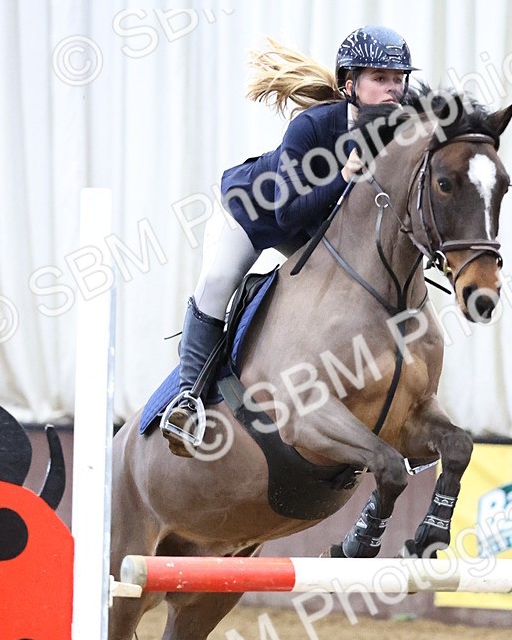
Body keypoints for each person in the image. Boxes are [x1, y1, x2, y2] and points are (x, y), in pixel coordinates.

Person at [162, 25, 415, 455]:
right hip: (253, 214)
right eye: (380, 78)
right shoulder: (312, 127)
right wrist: (344, 177)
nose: (393, 89)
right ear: (350, 85)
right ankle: (187, 399)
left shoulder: (397, 133)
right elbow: (287, 213)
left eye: (398, 79)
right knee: (219, 282)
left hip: (310, 227)